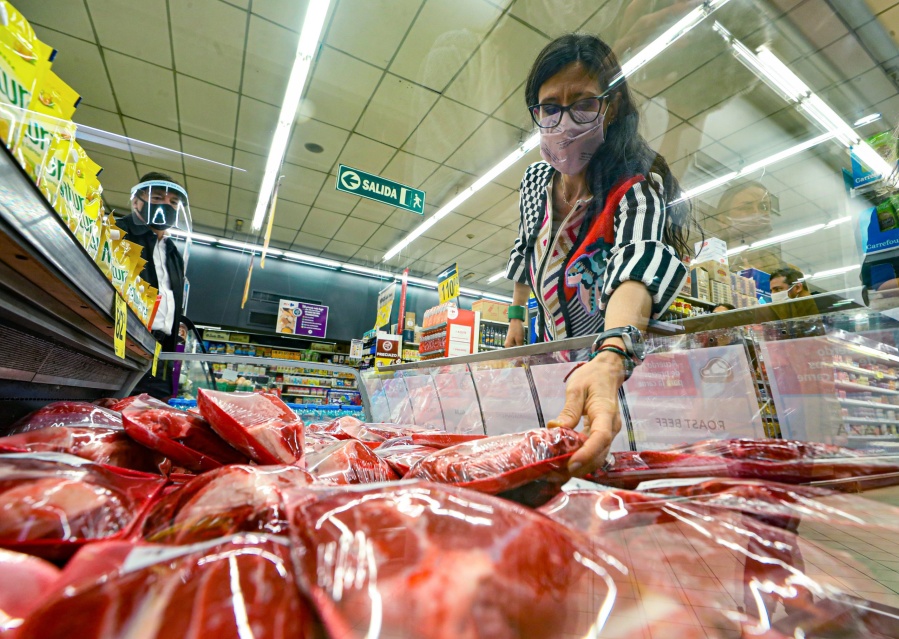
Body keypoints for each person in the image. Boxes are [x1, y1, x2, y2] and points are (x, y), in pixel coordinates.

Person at [504, 34, 692, 476]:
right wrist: (516, 315)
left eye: (583, 104)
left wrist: (612, 354)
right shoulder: (535, 180)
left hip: (619, 366)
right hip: (559, 358)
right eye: (550, 108)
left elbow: (636, 262)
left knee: (614, 468)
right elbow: (526, 240)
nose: (564, 122)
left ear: (613, 105)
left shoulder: (636, 184)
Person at [118, 171, 189, 399]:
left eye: (173, 202)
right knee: (110, 415)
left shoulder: (173, 253)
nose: (166, 206)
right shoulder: (117, 233)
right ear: (136, 201)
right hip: (122, 348)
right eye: (157, 198)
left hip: (161, 355)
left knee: (153, 422)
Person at [714, 179, 783, 274]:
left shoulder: (786, 273)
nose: (757, 213)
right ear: (723, 221)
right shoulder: (712, 266)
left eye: (763, 207)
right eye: (746, 207)